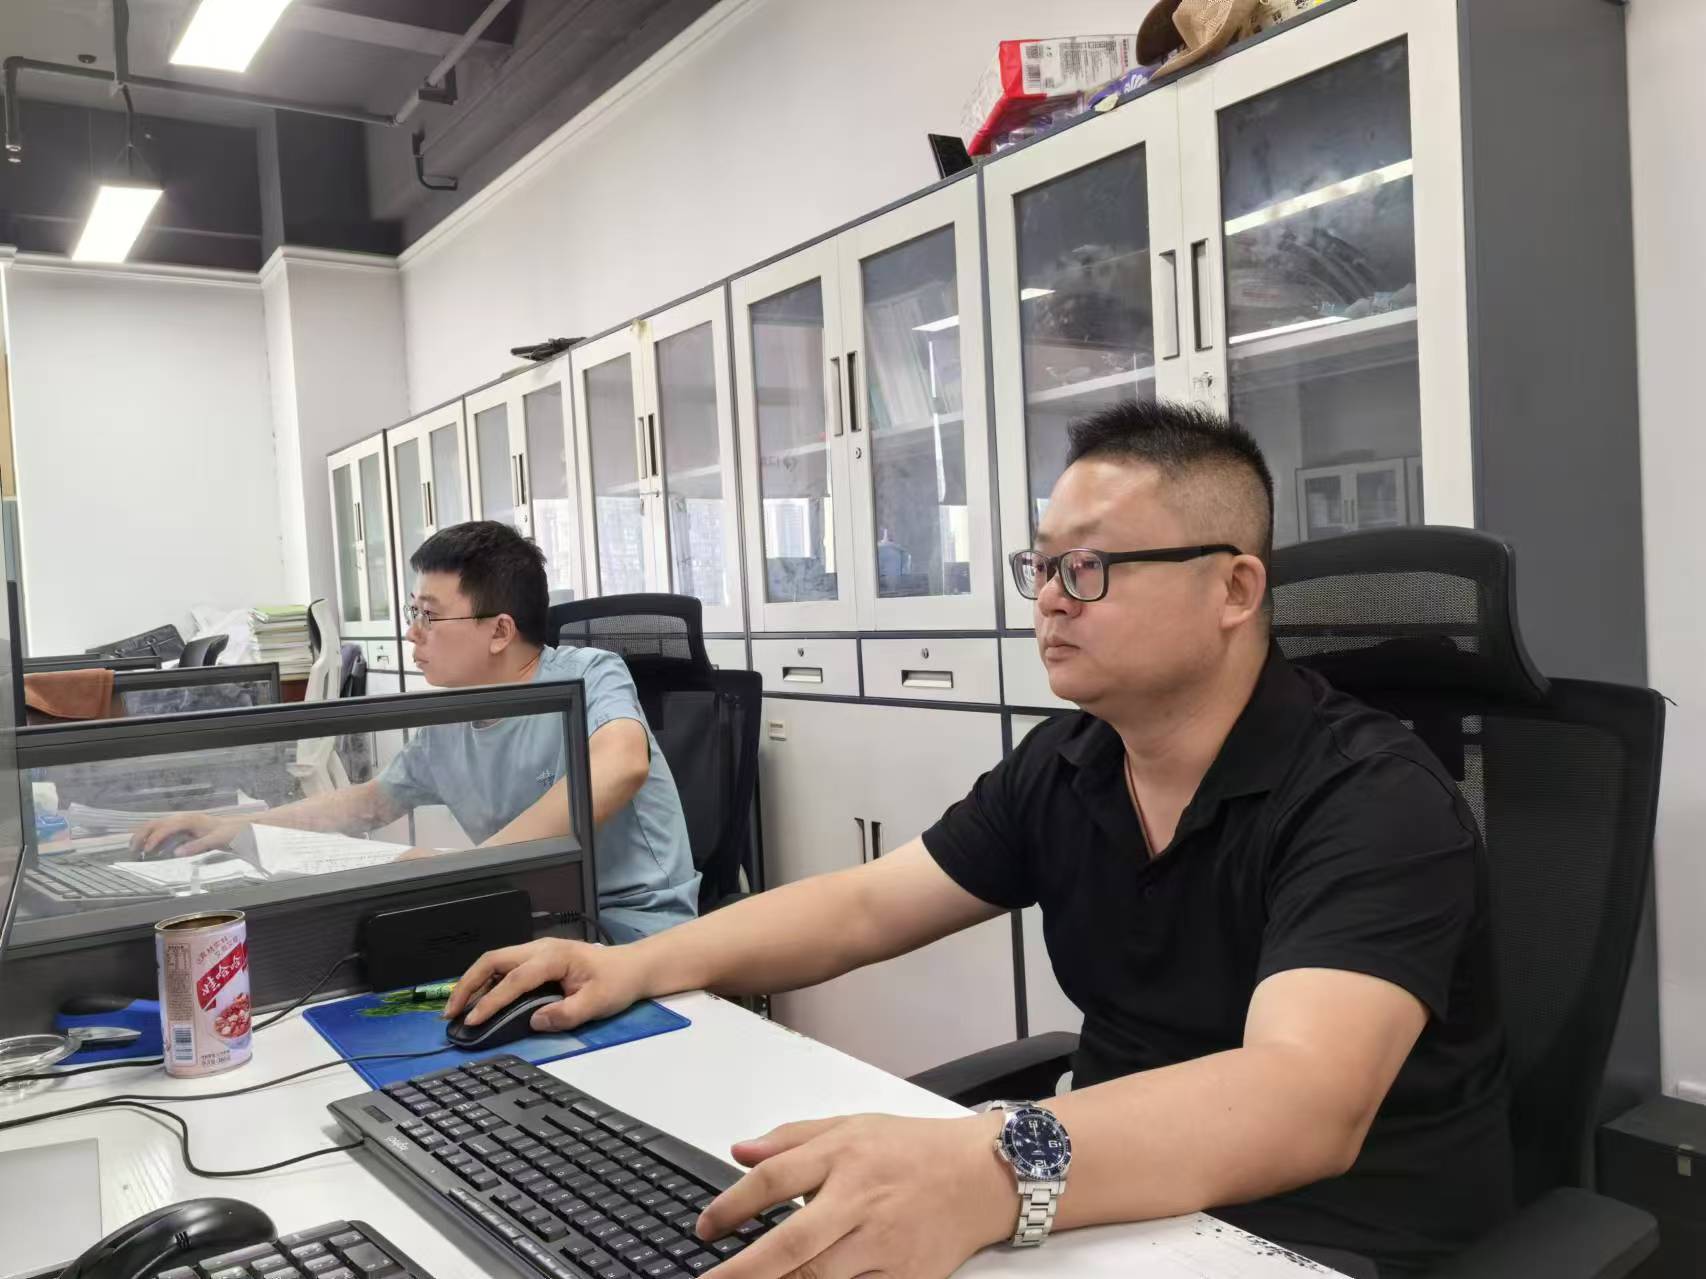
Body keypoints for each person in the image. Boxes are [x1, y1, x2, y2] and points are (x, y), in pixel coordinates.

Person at [443, 403, 1511, 1278]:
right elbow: (866, 903)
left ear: (1234, 588)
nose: (1048, 601)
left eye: (1086, 568)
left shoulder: (1371, 795)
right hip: (1116, 1200)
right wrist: (632, 963)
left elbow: (1301, 1102)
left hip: (1333, 1238)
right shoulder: (1070, 761)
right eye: (1037, 568)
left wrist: (989, 1163)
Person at [134, 521, 699, 942]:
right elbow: (368, 803)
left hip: (630, 930)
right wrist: (235, 827)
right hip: (531, 921)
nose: (412, 633)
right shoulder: (452, 722)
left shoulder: (588, 674)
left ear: (500, 631)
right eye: (413, 612)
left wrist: (467, 871)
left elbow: (622, 765)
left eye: (429, 614)